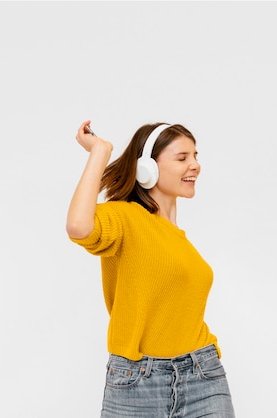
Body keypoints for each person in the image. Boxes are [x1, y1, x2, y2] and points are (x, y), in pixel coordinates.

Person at [66, 120, 235, 417]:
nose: (195, 165)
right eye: (182, 158)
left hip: (203, 375)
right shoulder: (125, 217)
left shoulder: (180, 240)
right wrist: (99, 153)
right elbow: (79, 226)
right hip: (136, 382)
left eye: (196, 156)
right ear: (148, 167)